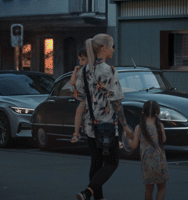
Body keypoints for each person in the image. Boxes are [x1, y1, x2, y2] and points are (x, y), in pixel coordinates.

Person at [75, 33, 126, 200]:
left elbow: (78, 96)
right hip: (107, 125)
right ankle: (87, 192)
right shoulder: (110, 71)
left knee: (96, 163)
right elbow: (116, 102)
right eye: (111, 46)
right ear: (104, 49)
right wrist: (125, 126)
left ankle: (98, 198)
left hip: (90, 125)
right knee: (112, 163)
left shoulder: (84, 71)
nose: (113, 50)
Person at [125, 99, 168, 200]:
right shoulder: (160, 126)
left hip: (147, 163)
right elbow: (164, 140)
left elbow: (134, 146)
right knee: (161, 187)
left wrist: (128, 138)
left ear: (143, 112)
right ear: (157, 113)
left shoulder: (139, 128)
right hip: (160, 161)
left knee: (149, 189)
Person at [68, 48, 88, 144]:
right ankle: (76, 133)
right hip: (83, 97)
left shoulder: (91, 69)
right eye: (79, 60)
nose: (81, 62)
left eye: (83, 59)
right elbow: (72, 83)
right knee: (79, 111)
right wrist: (75, 71)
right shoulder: (80, 70)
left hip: (90, 96)